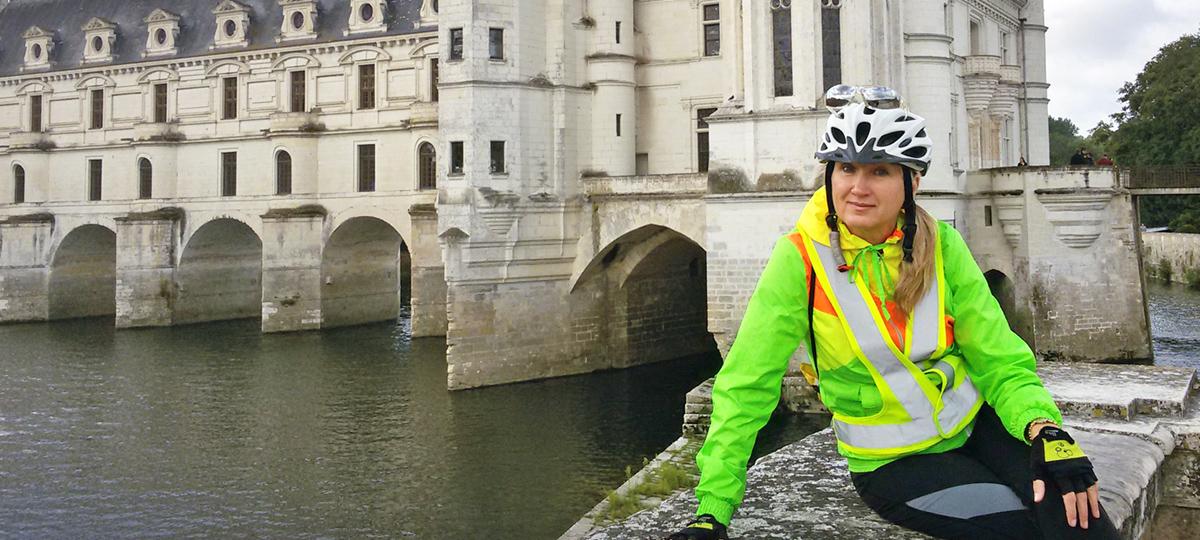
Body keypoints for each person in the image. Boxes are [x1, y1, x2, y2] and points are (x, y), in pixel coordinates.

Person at [668, 85, 1118, 540]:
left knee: (1083, 521)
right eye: (846, 168)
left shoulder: (941, 244)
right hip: (894, 463)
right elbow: (746, 384)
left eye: (879, 171)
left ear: (911, 183)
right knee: (1023, 531)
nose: (858, 188)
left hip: (976, 425)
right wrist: (712, 509)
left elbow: (998, 356)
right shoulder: (800, 260)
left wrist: (1044, 428)